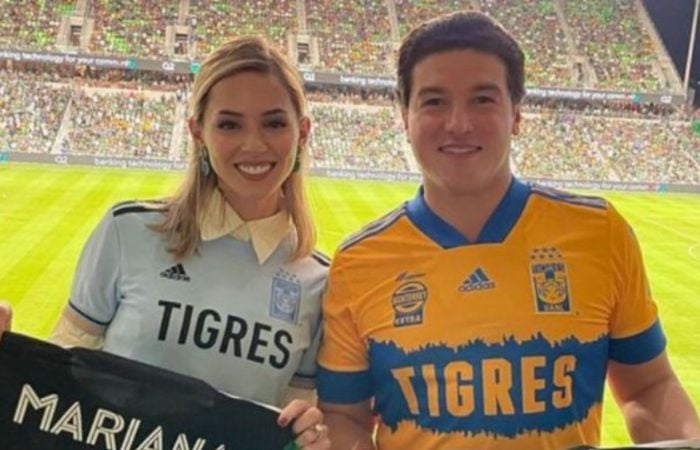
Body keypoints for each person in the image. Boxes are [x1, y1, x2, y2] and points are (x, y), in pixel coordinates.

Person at [316, 11, 700, 450]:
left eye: (483, 99)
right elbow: (344, 416)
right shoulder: (359, 261)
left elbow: (648, 387)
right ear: (404, 116)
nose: (458, 123)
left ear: (517, 113)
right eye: (434, 101)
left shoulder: (600, 233)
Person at [0, 37, 330, 449]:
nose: (254, 143)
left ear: (302, 132)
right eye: (229, 123)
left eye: (274, 123)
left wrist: (311, 438)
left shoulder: (319, 280)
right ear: (197, 132)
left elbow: (292, 419)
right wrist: (9, 365)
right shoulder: (129, 231)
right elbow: (64, 374)